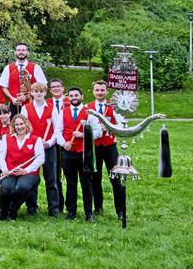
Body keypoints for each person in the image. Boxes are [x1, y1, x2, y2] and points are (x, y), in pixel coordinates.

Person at [54, 87, 103, 222]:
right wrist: (64, 143)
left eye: (76, 95)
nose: (74, 97)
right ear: (68, 97)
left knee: (86, 183)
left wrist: (84, 135)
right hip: (68, 152)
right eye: (71, 96)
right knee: (71, 183)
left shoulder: (89, 113)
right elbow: (58, 131)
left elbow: (98, 132)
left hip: (84, 153)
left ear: (81, 96)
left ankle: (89, 213)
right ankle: (71, 211)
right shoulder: (62, 112)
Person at [24, 82, 62, 216]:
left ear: (45, 93)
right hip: (32, 148)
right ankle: (31, 207)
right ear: (32, 93)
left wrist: (50, 143)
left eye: (41, 91)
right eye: (36, 91)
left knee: (51, 178)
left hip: (48, 147)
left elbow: (57, 129)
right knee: (32, 177)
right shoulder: (26, 108)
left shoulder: (52, 108)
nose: (39, 94)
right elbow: (24, 129)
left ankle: (54, 208)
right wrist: (35, 142)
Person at [88, 80, 123, 220]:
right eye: (97, 90)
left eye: (102, 90)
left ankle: (120, 211)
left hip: (110, 146)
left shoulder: (114, 107)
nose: (100, 92)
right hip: (94, 146)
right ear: (93, 92)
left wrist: (109, 127)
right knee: (95, 178)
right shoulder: (88, 107)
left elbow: (121, 125)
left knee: (116, 178)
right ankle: (98, 207)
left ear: (107, 91)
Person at [0, 114, 44, 220]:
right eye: (17, 124)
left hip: (29, 173)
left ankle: (13, 210)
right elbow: (0, 157)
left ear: (26, 124)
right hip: (10, 171)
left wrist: (26, 170)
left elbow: (41, 158)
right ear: (13, 126)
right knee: (6, 188)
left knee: (22, 187)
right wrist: (5, 169)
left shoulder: (36, 139)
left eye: (21, 124)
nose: (19, 127)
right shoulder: (6, 138)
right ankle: (4, 211)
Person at [0, 43, 48, 111]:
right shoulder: (8, 68)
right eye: (18, 50)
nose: (21, 52)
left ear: (28, 52)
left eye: (23, 50)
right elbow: (3, 87)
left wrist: (27, 96)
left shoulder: (36, 67)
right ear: (15, 52)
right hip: (14, 104)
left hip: (32, 104)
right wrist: (12, 98)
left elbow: (44, 86)